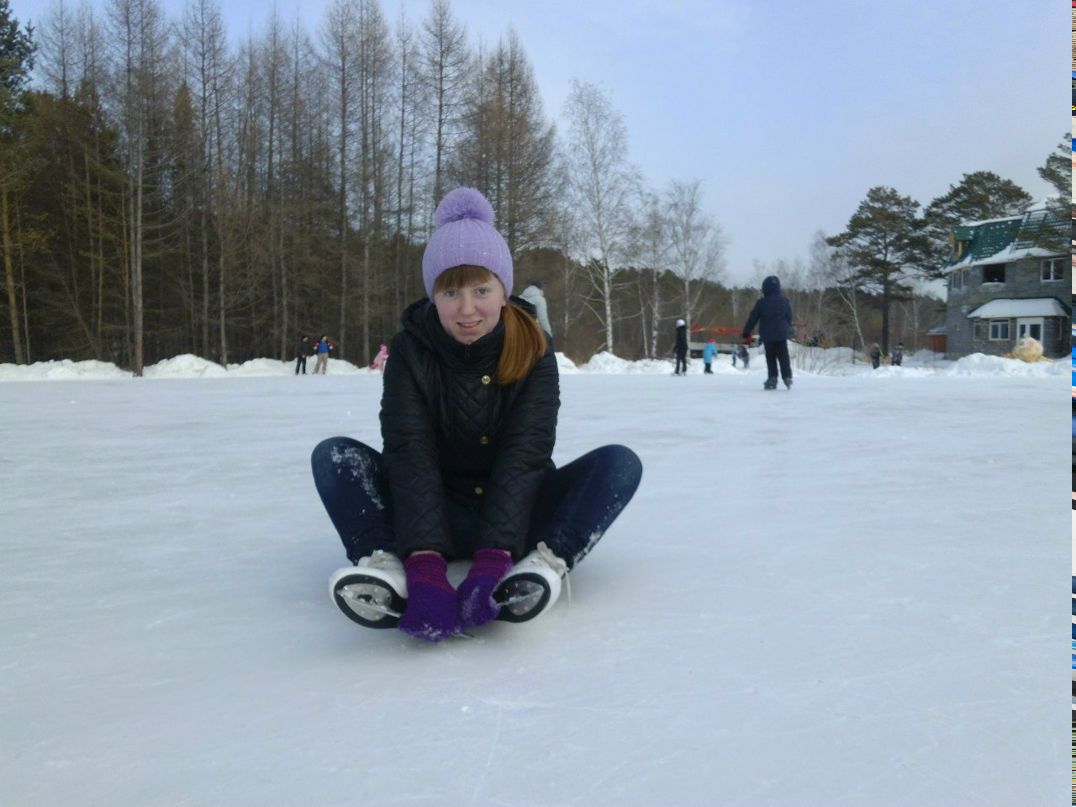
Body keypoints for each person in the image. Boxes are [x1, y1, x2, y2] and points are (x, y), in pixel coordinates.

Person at [312, 187, 643, 642]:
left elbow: (526, 452)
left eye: (481, 290)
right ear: (433, 295)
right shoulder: (410, 349)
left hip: (519, 510)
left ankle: (542, 565)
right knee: (334, 456)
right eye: (451, 292)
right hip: (434, 508)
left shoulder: (534, 348)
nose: (467, 309)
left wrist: (493, 559)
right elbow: (409, 450)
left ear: (504, 291)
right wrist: (425, 564)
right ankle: (387, 566)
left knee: (619, 464)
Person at [742, 275, 793, 390]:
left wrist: (746, 331)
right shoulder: (785, 301)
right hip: (781, 334)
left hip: (768, 335)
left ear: (765, 288)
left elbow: (753, 318)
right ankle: (787, 377)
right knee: (784, 356)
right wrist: (787, 327)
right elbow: (789, 317)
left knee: (771, 357)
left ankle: (772, 378)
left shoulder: (761, 303)